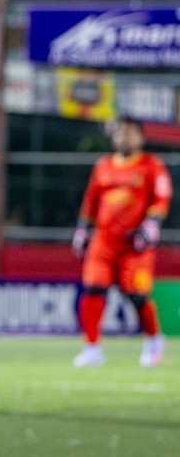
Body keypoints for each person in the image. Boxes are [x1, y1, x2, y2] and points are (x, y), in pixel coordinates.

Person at [71, 116, 170, 368]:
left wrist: (151, 225)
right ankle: (92, 347)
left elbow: (161, 199)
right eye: (120, 133)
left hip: (134, 243)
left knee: (136, 296)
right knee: (93, 290)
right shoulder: (103, 166)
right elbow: (90, 201)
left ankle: (153, 339)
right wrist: (83, 230)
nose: (124, 137)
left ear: (140, 137)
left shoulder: (151, 165)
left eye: (130, 133)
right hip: (103, 241)